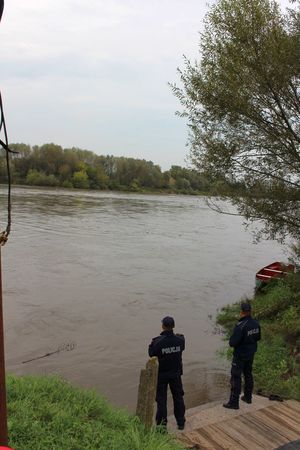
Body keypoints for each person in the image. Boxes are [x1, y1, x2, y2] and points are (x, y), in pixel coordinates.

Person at [148, 316, 186, 430]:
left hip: (162, 375)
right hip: (176, 374)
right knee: (178, 397)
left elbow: (151, 353)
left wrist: (152, 344)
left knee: (161, 401)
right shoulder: (180, 340)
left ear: (163, 326)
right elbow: (182, 347)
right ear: (173, 326)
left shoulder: (157, 342)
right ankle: (180, 423)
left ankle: (161, 427)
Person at [223, 302, 261, 409]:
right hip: (251, 353)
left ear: (242, 312)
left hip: (240, 355)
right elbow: (258, 337)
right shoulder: (256, 323)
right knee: (248, 374)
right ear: (250, 311)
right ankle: (248, 397)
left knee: (236, 377)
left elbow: (232, 343)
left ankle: (234, 402)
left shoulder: (240, 326)